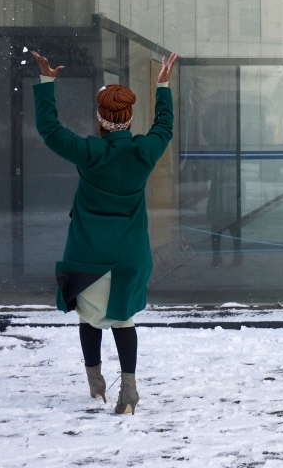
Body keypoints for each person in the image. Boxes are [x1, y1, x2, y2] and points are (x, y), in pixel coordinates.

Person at [32, 50, 178, 414]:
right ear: (129, 120)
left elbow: (50, 130)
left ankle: (95, 381)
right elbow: (164, 126)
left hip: (89, 258)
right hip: (129, 258)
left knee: (90, 318)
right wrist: (163, 85)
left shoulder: (90, 152)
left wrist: (47, 81)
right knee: (122, 321)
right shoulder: (144, 151)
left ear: (100, 120)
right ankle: (128, 394)